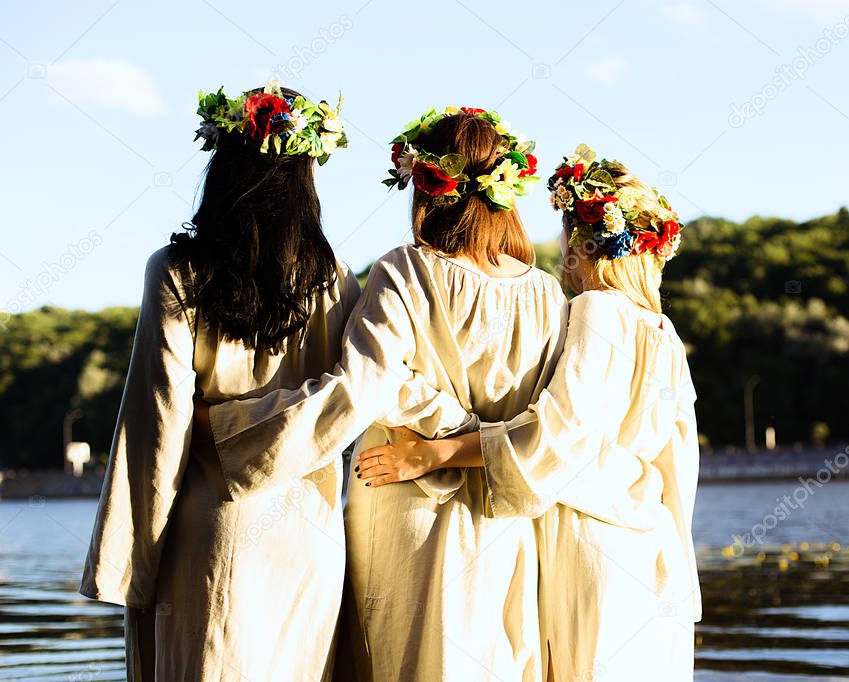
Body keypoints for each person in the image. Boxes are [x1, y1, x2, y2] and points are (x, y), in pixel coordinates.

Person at [80, 81, 444, 681]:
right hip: (310, 533)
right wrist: (468, 435)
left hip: (213, 526)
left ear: (223, 168)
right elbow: (380, 385)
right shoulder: (334, 283)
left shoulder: (178, 273)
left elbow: (157, 422)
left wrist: (133, 564)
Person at [195, 107, 567, 681]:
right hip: (506, 515)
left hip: (409, 499)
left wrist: (233, 432)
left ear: (425, 185)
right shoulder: (547, 295)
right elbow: (551, 419)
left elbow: (370, 382)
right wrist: (483, 439)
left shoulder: (406, 270)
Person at [357, 145, 703, 681]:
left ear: (582, 242)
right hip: (650, 545)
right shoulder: (664, 332)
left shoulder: (595, 311)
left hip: (589, 539)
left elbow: (557, 432)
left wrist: (435, 452)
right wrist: (679, 563)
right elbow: (679, 465)